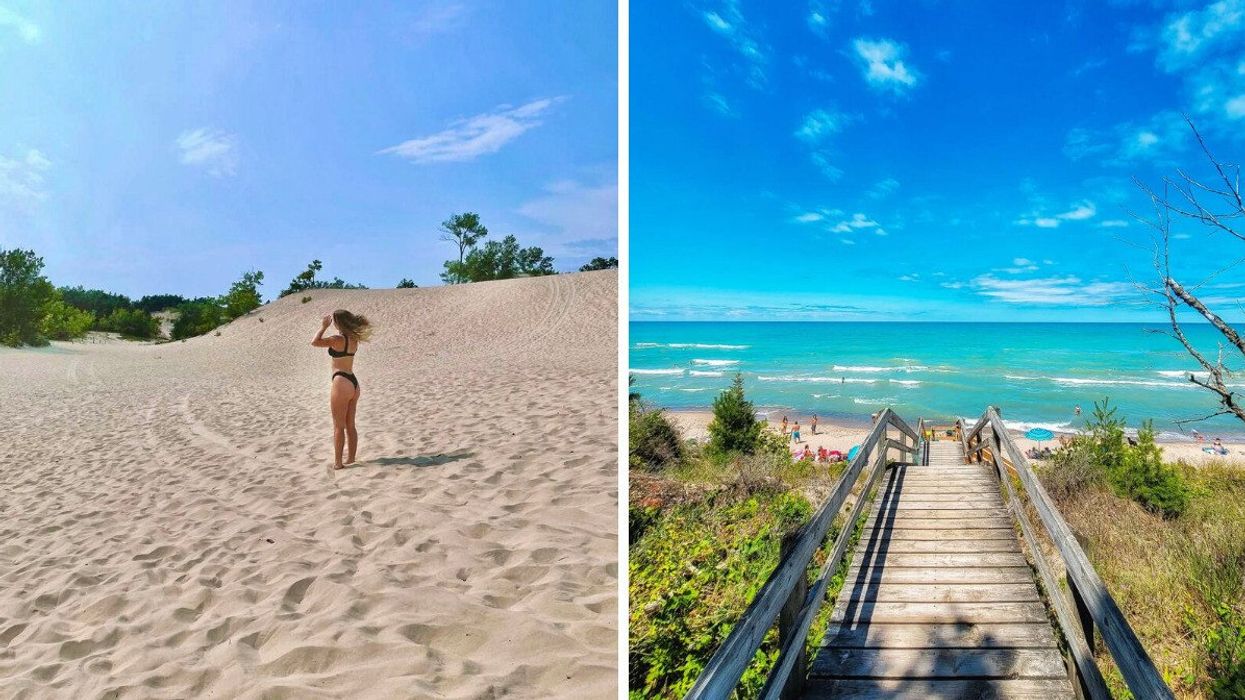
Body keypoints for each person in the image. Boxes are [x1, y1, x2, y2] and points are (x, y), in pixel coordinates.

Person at [312, 309, 372, 469]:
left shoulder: (337, 339)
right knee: (350, 424)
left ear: (338, 322)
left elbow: (315, 342)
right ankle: (351, 458)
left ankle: (338, 463)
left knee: (338, 425)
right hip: (353, 382)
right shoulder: (354, 339)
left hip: (340, 381)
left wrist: (323, 326)